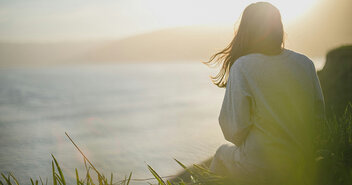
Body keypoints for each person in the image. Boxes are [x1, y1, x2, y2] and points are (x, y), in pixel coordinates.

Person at [203, 2, 325, 184]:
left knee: (221, 154)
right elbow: (318, 117)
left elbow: (233, 130)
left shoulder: (243, 66)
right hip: (302, 162)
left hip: (260, 166)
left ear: (246, 31)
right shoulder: (305, 63)